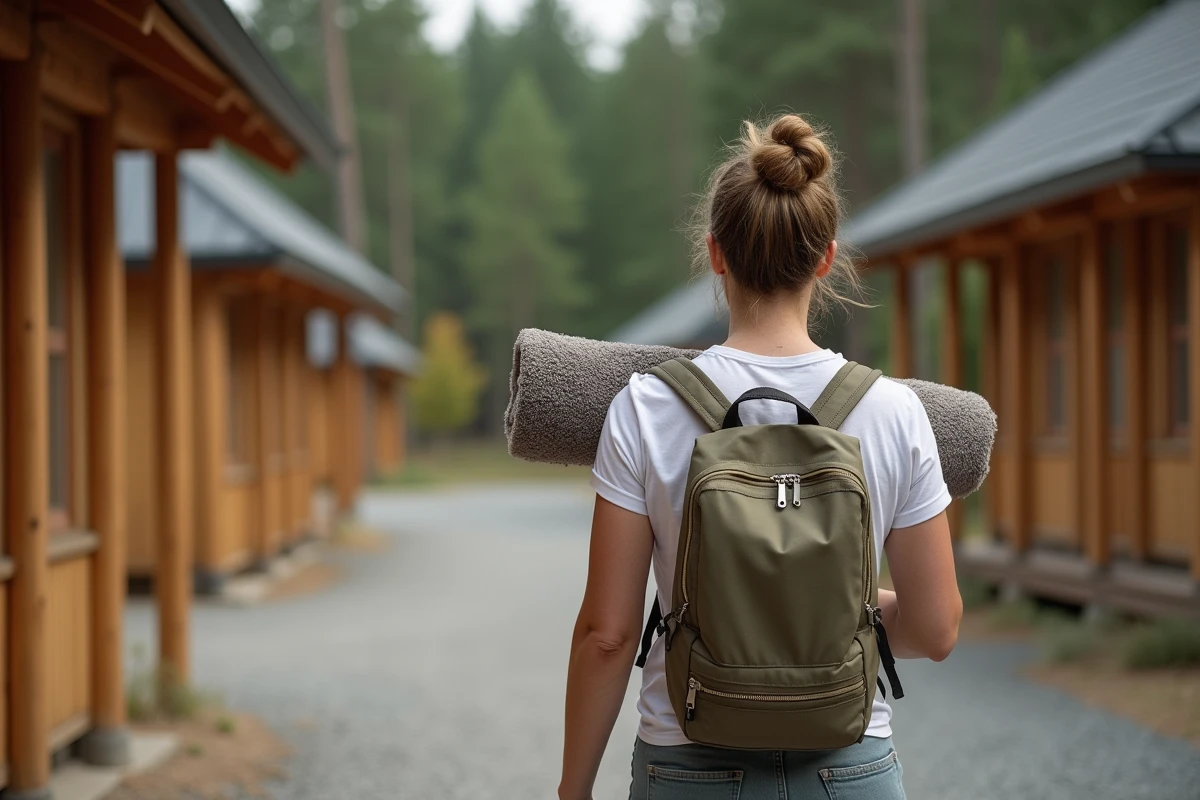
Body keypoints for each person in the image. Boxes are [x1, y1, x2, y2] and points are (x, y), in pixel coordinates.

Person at [558, 113, 963, 800]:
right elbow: (935, 627)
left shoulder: (645, 407)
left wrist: (573, 791)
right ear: (826, 258)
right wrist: (826, 601)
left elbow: (607, 633)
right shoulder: (895, 411)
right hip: (851, 766)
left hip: (687, 764)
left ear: (715, 255)